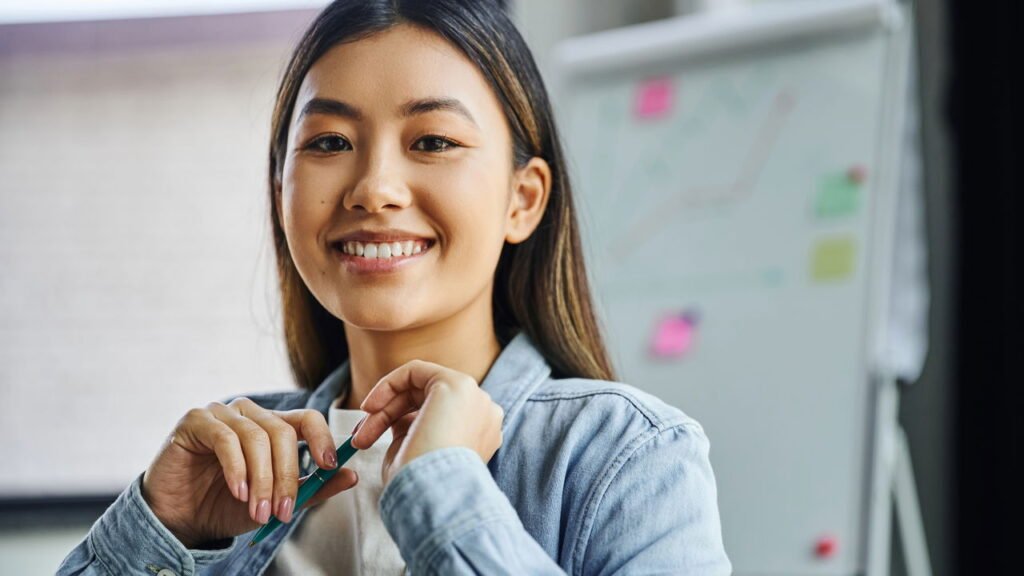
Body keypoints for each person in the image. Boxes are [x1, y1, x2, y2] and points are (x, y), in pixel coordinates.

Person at [57, 1, 732, 574]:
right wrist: (160, 526)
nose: (374, 188)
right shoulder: (227, 467)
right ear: (280, 193)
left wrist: (443, 489)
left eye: (433, 141)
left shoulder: (629, 455)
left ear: (522, 200)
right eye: (328, 143)